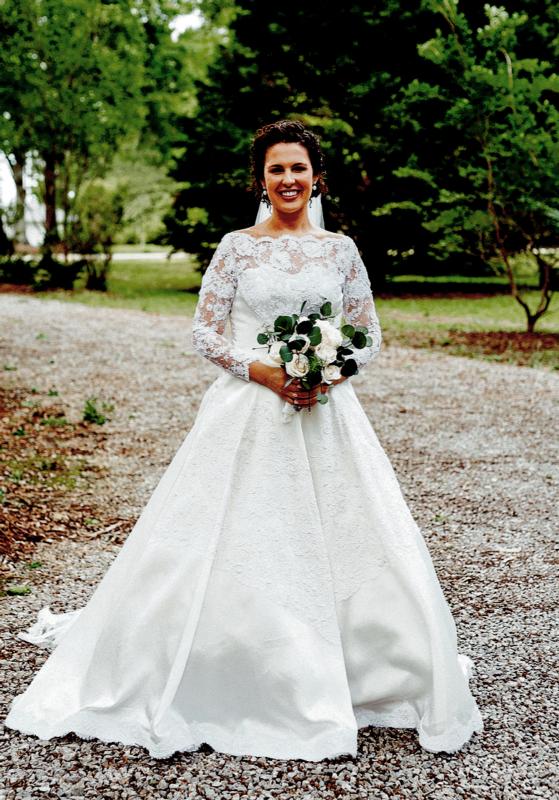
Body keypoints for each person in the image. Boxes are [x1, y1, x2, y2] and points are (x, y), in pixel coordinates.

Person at [4, 120, 483, 762]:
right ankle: (231, 663)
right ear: (261, 179)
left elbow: (367, 333)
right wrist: (265, 372)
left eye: (300, 169)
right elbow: (206, 333)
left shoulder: (340, 251)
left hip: (326, 412)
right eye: (277, 169)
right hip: (250, 408)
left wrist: (327, 371)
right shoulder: (236, 247)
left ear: (317, 178)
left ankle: (359, 660)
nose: (289, 180)